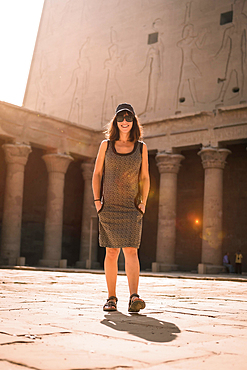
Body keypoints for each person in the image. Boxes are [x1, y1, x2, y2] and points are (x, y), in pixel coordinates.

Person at [92, 103, 150, 312]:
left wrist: (143, 202)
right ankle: (111, 298)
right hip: (109, 206)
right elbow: (97, 173)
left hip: (131, 206)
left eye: (128, 118)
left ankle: (134, 297)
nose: (124, 121)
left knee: (132, 251)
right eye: (120, 118)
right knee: (111, 252)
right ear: (115, 122)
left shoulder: (141, 147)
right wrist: (98, 201)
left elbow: (144, 176)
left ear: (133, 121)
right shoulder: (105, 145)